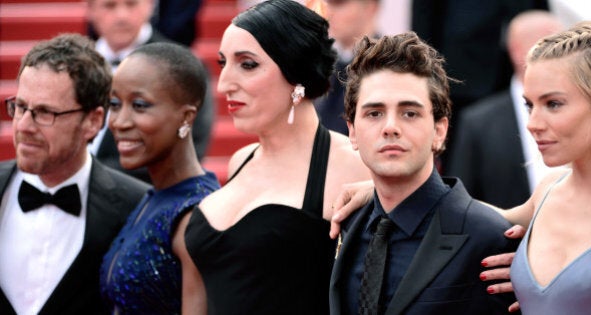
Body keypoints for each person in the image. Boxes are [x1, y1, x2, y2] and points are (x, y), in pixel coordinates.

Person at [182, 1, 371, 314]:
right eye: (223, 63)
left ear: (295, 72)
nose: (225, 83)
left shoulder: (352, 164)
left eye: (247, 64)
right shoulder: (240, 160)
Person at [329, 32, 518, 315]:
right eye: (374, 113)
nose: (390, 127)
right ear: (352, 131)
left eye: (410, 113)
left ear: (439, 132)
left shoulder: (489, 237)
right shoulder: (346, 226)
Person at [0, 33, 148, 315]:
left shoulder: (136, 208)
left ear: (92, 122)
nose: (24, 126)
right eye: (20, 107)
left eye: (45, 113)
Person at [494, 21, 591, 314]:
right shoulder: (548, 190)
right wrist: (375, 189)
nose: (532, 124)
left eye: (553, 104)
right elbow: (465, 218)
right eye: (530, 105)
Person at [99, 42, 220, 314]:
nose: (119, 121)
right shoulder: (155, 196)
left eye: (139, 105)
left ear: (186, 117)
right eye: (115, 104)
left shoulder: (195, 216)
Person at [445, 11, 564, 208]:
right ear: (517, 51)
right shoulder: (478, 122)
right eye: (551, 46)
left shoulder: (580, 110)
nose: (562, 55)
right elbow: (461, 203)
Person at [86, 0, 214, 183]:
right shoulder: (72, 63)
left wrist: (90, 175)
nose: (121, 16)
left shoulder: (180, 64)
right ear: (90, 10)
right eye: (110, 5)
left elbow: (191, 142)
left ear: (150, 6)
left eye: (131, 4)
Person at [315, 0, 381, 135]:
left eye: (339, 4)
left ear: (370, 7)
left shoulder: (389, 69)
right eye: (327, 4)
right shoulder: (326, 66)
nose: (329, 13)